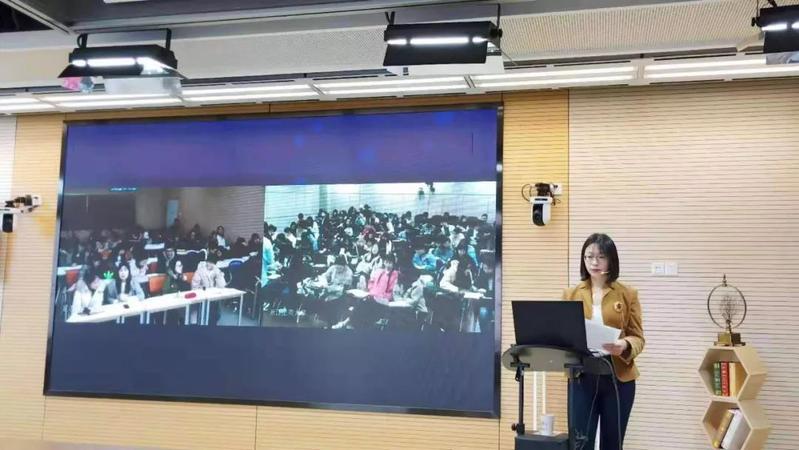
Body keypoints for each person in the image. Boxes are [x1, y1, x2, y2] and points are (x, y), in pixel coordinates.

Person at [562, 233, 644, 450]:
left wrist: (624, 345)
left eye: (601, 257)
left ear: (611, 259)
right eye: (589, 257)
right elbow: (563, 334)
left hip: (618, 377)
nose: (594, 263)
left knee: (612, 444)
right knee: (580, 443)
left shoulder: (627, 294)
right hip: (582, 375)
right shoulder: (571, 293)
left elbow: (637, 337)